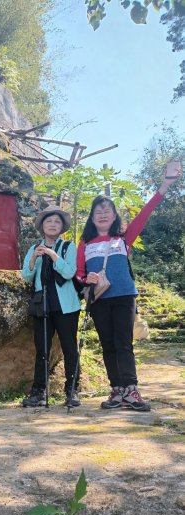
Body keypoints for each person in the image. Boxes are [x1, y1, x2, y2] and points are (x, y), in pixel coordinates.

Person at [76, 162, 183, 411]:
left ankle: (131, 391)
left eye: (107, 210)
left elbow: (146, 211)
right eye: (97, 211)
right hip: (100, 299)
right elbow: (79, 274)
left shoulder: (124, 238)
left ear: (114, 216)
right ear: (92, 218)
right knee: (108, 345)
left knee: (124, 343)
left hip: (124, 296)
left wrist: (165, 184)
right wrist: (86, 279)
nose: (102, 214)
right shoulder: (85, 242)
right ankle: (116, 391)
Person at [21, 205, 81, 407]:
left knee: (69, 348)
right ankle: (38, 392)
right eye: (49, 221)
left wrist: (53, 255)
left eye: (57, 221)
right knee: (42, 350)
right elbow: (26, 276)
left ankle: (72, 390)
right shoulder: (33, 248)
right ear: (42, 226)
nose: (53, 224)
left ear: (62, 226)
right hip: (42, 305)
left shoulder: (68, 247)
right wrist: (34, 258)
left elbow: (69, 273)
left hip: (67, 306)